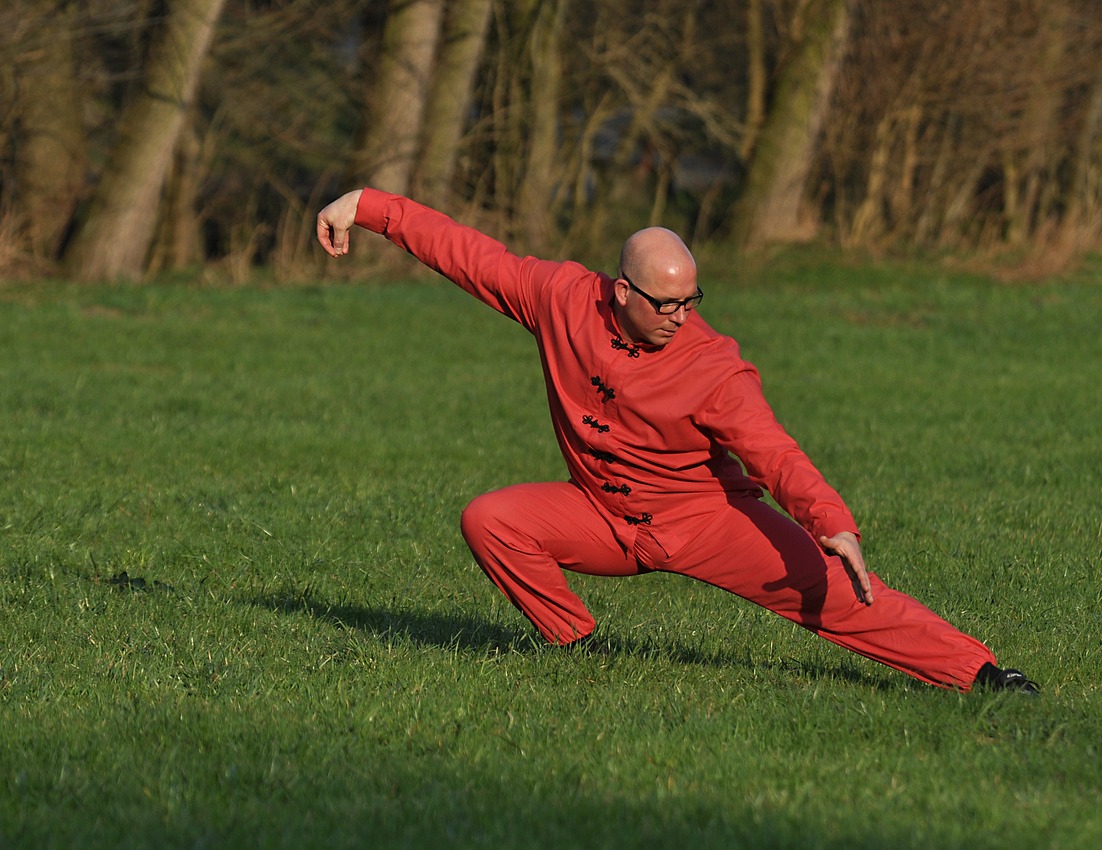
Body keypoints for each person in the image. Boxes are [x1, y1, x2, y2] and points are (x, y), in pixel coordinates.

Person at [316, 188, 1038, 693]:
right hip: (603, 518)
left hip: (706, 521)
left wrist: (833, 523)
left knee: (840, 595)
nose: (682, 315)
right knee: (491, 520)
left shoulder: (712, 362)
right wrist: (371, 209)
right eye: (667, 303)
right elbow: (470, 255)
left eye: (693, 299)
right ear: (621, 291)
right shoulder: (562, 297)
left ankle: (981, 674)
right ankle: (574, 648)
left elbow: (774, 451)